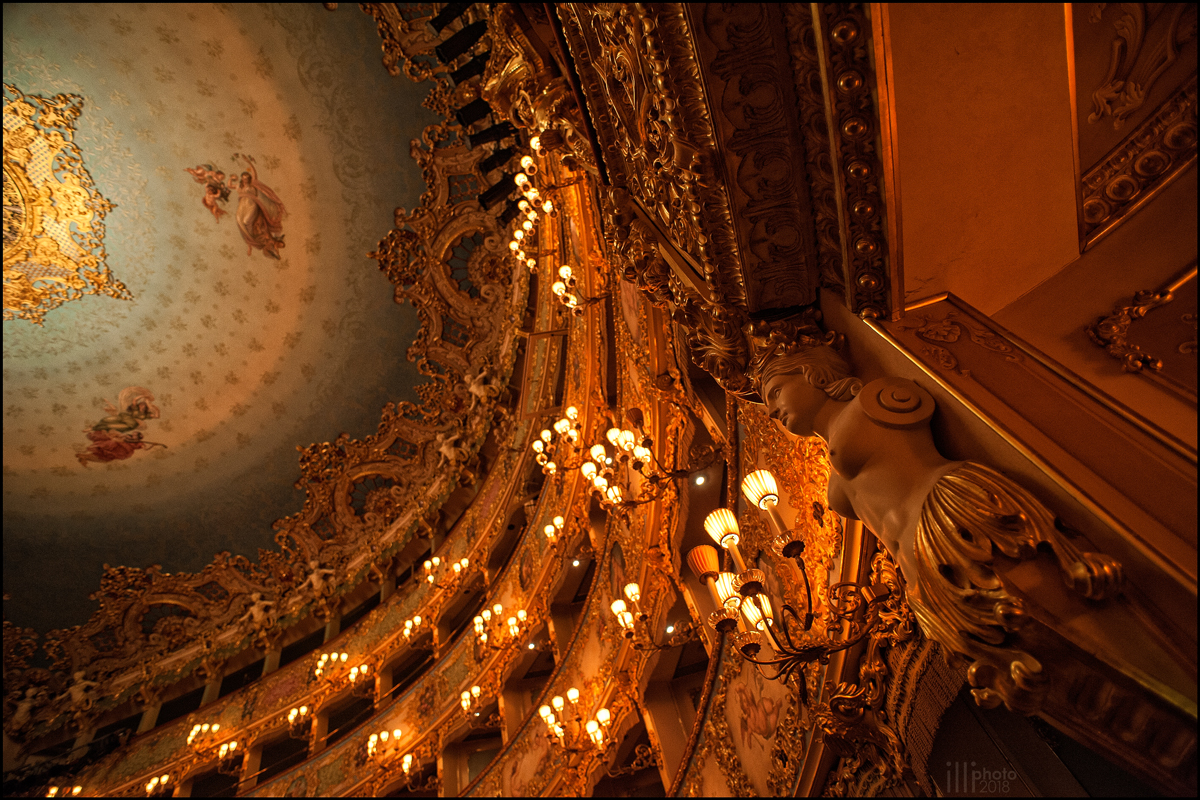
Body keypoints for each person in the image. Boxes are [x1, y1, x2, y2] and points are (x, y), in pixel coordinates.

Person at [233, 154, 286, 259]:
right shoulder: (240, 187)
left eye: (247, 178)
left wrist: (249, 162)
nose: (246, 179)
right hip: (243, 206)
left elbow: (253, 173)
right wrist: (231, 178)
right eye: (244, 178)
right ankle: (250, 240)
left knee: (246, 221)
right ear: (242, 179)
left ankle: (254, 239)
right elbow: (230, 185)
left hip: (252, 204)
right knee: (240, 221)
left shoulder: (253, 184)